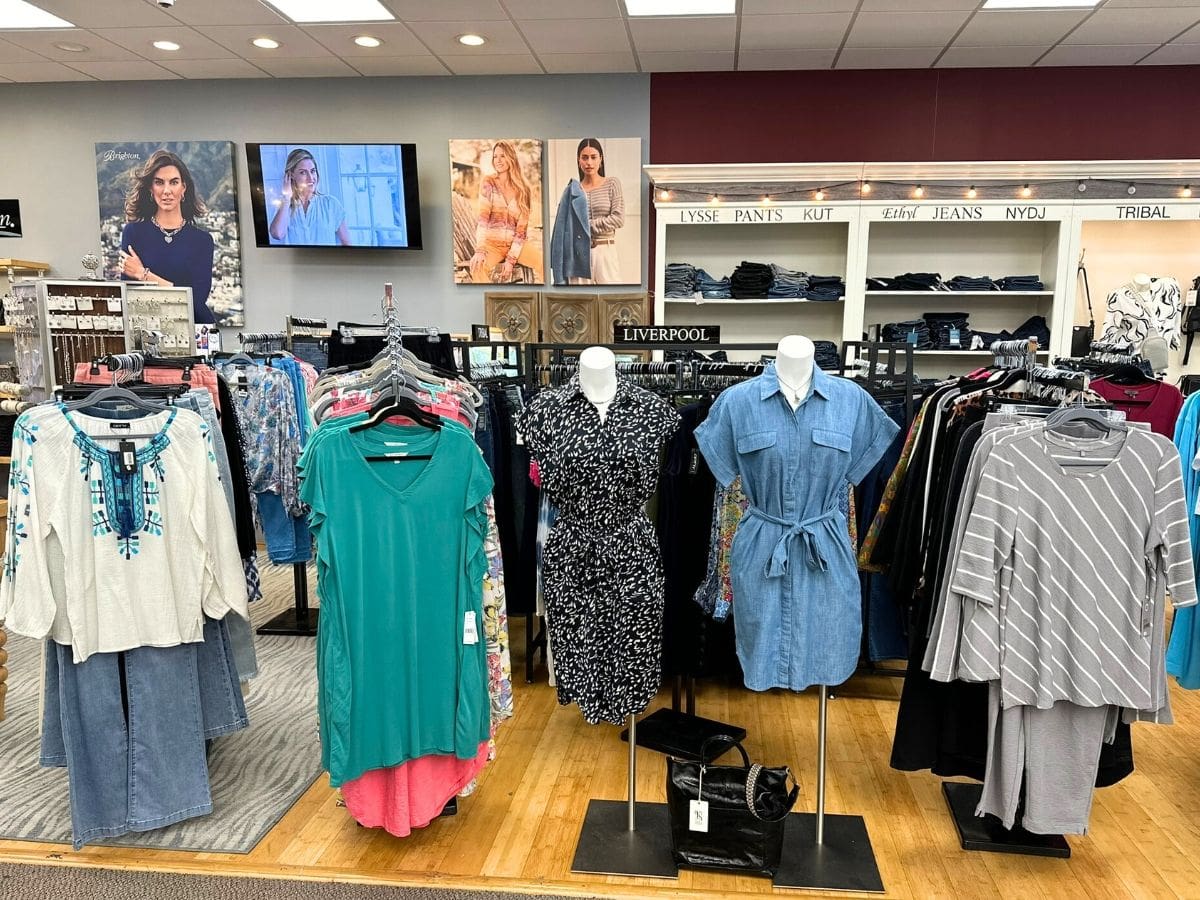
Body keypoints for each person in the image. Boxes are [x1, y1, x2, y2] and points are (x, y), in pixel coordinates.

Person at [117, 149, 217, 325]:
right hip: (147, 329)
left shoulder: (202, 241)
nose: (167, 190)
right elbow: (129, 296)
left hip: (196, 330)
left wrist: (144, 274)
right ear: (150, 188)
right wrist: (175, 288)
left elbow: (196, 300)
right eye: (159, 182)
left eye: (174, 182)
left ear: (183, 188)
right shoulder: (133, 233)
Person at [469, 141, 543, 284]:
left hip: (516, 245)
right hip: (492, 245)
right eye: (495, 156)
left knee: (543, 262)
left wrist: (510, 260)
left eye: (502, 156)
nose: (498, 160)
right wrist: (480, 249)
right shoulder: (488, 182)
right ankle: (494, 303)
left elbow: (521, 231)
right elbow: (483, 220)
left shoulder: (524, 190)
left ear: (511, 158)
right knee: (477, 268)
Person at [269, 148, 351, 247]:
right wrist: (286, 197)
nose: (311, 178)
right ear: (291, 175)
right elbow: (277, 234)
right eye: (303, 172)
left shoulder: (331, 204)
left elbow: (347, 244)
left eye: (312, 171)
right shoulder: (285, 207)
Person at [572, 138, 625, 285]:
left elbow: (618, 219)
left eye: (593, 157)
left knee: (611, 300)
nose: (589, 162)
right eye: (585, 157)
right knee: (581, 302)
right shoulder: (573, 189)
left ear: (600, 159)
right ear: (579, 160)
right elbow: (569, 224)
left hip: (605, 249)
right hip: (579, 252)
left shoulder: (612, 183)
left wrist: (585, 225)